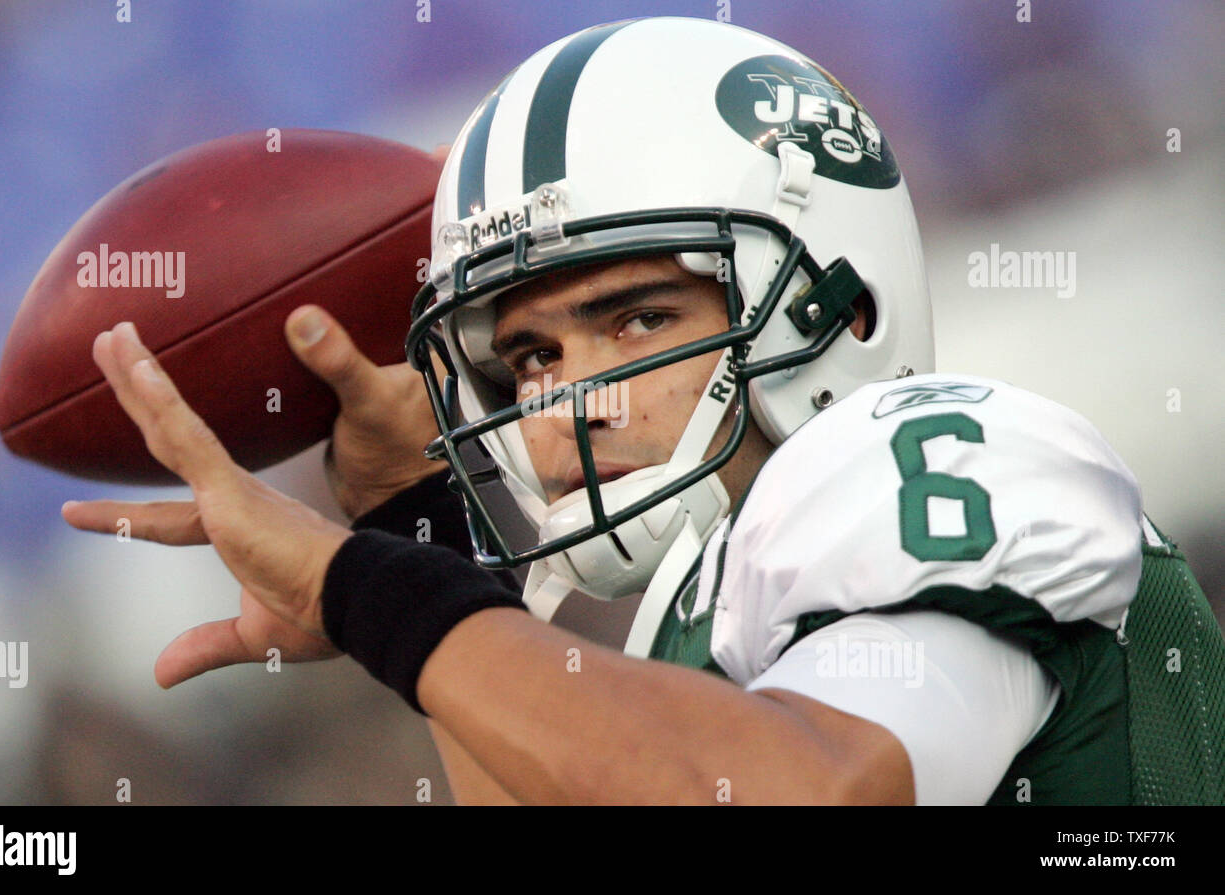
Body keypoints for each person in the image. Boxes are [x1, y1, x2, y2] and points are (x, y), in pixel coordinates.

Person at [61, 17, 1225, 805]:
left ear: (840, 301)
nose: (566, 404)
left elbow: (806, 793)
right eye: (525, 354)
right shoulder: (711, 609)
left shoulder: (930, 459)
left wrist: (367, 590)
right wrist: (419, 542)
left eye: (633, 324)